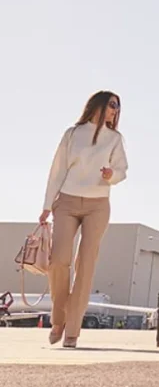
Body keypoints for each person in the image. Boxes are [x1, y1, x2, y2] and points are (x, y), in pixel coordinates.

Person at [40, 90, 128, 348]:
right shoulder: (72, 134)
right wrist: (47, 206)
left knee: (86, 264)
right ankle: (59, 318)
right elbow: (57, 170)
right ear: (98, 105)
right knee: (59, 260)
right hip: (66, 201)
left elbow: (122, 170)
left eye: (118, 107)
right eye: (112, 105)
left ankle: (72, 331)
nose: (115, 110)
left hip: (98, 204)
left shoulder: (115, 138)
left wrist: (111, 174)